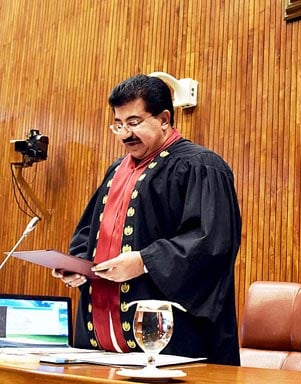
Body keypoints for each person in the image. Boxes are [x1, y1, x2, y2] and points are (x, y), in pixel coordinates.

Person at [52, 74, 242, 365]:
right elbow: (89, 232)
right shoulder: (116, 170)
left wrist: (143, 261)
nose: (125, 134)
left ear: (164, 119)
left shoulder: (201, 166)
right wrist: (77, 265)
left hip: (175, 348)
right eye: (118, 124)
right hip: (97, 345)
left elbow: (212, 243)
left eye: (134, 122)